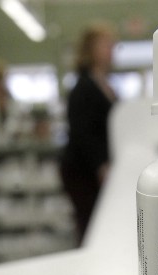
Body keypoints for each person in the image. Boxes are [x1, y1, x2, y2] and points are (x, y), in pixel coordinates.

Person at [60, 23, 117, 244]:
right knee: (89, 225)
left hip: (97, 168)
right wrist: (100, 165)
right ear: (90, 49)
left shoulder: (104, 84)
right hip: (83, 171)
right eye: (106, 45)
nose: (111, 49)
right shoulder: (83, 87)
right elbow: (83, 132)